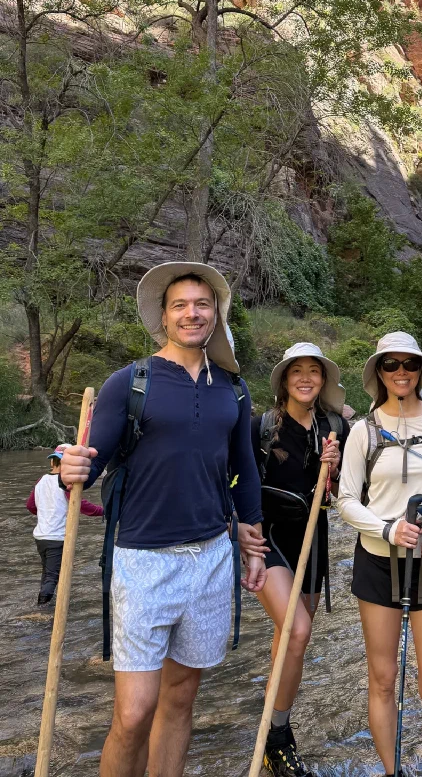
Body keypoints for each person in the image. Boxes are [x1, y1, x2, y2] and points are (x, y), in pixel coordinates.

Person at [60, 261, 267, 777]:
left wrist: (251, 534)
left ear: (216, 315)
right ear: (163, 316)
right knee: (133, 714)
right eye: (181, 305)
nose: (192, 313)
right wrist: (66, 465)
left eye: (202, 304)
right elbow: (90, 460)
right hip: (141, 559)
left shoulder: (234, 389)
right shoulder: (129, 382)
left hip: (211, 559)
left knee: (179, 702)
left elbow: (244, 467)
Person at [337, 331, 422, 777]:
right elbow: (347, 499)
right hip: (378, 564)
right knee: (384, 679)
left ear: (419, 370)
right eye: (390, 365)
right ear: (378, 372)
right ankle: (393, 771)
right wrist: (388, 528)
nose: (400, 372)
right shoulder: (363, 432)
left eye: (408, 364)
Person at [253, 343, 349, 777]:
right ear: (284, 380)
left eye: (314, 371)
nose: (306, 378)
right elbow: (238, 483)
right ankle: (276, 736)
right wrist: (242, 533)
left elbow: (341, 496)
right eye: (298, 371)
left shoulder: (334, 428)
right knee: (297, 628)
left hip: (312, 540)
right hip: (267, 538)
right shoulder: (262, 428)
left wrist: (335, 469)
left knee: (289, 639)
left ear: (323, 380)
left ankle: (275, 724)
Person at [27, 445, 103, 605]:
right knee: (53, 577)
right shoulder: (66, 484)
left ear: (52, 463)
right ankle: (41, 608)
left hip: (41, 536)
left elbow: (31, 506)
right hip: (57, 537)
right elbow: (80, 505)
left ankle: (47, 603)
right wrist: (102, 511)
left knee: (47, 572)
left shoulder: (41, 480)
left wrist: (45, 513)